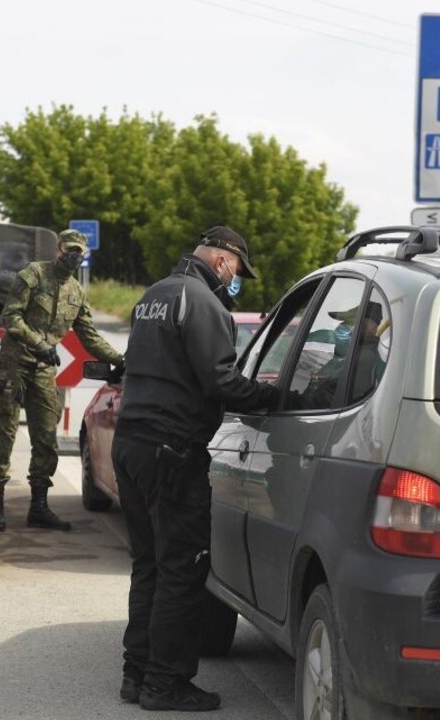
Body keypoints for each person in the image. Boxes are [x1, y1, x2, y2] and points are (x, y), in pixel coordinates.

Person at [111, 225, 279, 712]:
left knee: (148, 566)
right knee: (181, 571)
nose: (235, 280)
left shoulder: (154, 295)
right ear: (223, 260)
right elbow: (220, 380)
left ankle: (136, 675)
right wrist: (274, 396)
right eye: (237, 271)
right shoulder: (203, 303)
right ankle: (166, 684)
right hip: (172, 450)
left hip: (133, 443)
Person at [0, 229, 124, 532]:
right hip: (14, 363)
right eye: (69, 250)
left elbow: (90, 336)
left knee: (47, 436)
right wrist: (40, 345)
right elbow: (11, 317)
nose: (73, 256)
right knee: (5, 431)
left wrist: (122, 359)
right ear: (58, 250)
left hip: (44, 369)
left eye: (79, 253)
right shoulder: (34, 274)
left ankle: (39, 506)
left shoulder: (76, 292)